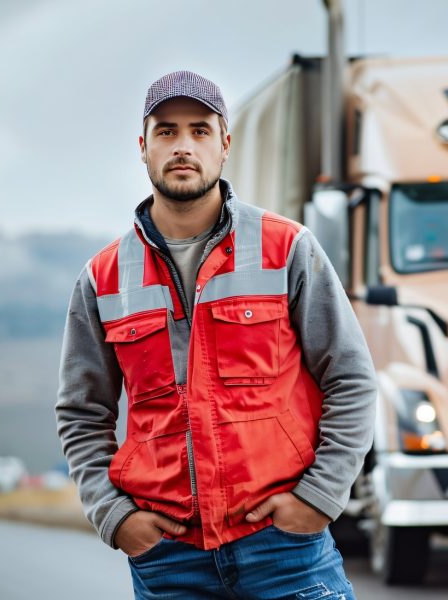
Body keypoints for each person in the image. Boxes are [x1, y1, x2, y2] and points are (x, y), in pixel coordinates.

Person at [55, 70, 376, 599]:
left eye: (200, 131)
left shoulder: (287, 247)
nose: (183, 146)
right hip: (169, 561)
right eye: (166, 131)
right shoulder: (103, 278)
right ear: (144, 147)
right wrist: (114, 515)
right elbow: (80, 412)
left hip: (284, 549)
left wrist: (320, 496)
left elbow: (351, 378)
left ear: (225, 145)